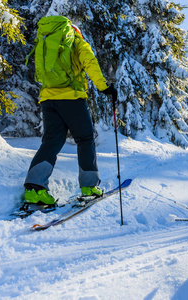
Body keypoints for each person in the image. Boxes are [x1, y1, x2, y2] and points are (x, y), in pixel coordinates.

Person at [24, 17, 117, 206]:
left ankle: (35, 189)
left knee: (51, 141)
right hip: (72, 98)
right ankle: (89, 187)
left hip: (48, 99)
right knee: (85, 139)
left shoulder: (46, 41)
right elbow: (90, 63)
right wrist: (104, 87)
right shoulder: (76, 42)